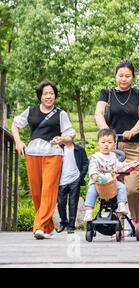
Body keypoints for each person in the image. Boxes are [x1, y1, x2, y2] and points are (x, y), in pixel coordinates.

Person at [11, 80, 76, 239]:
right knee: (37, 193)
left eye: (52, 93)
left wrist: (62, 139)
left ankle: (38, 227)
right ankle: (49, 228)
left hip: (53, 155)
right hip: (32, 155)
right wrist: (18, 142)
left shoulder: (61, 114)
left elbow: (70, 135)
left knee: (48, 190)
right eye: (45, 93)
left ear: (55, 95)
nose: (49, 96)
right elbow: (15, 125)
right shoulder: (30, 111)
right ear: (40, 95)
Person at [94, 60, 139, 231]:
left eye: (127, 76)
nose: (123, 79)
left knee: (132, 189)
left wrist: (132, 131)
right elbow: (98, 114)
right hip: (111, 148)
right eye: (120, 75)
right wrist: (106, 131)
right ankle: (118, 226)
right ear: (115, 75)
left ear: (132, 77)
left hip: (133, 147)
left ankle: (137, 220)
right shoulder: (106, 94)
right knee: (111, 187)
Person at [84, 128, 139, 222]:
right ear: (98, 144)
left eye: (109, 142)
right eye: (103, 142)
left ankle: (121, 205)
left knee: (121, 187)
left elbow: (119, 166)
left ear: (114, 145)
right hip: (98, 182)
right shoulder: (96, 157)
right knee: (91, 190)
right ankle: (88, 211)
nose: (106, 145)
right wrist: (95, 176)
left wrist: (130, 164)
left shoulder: (113, 156)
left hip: (111, 183)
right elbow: (92, 169)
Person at [56, 138, 89, 234]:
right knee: (61, 202)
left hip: (75, 179)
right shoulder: (58, 148)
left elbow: (85, 163)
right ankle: (63, 222)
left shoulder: (79, 149)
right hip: (62, 179)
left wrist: (80, 176)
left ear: (72, 137)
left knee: (73, 203)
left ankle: (71, 226)